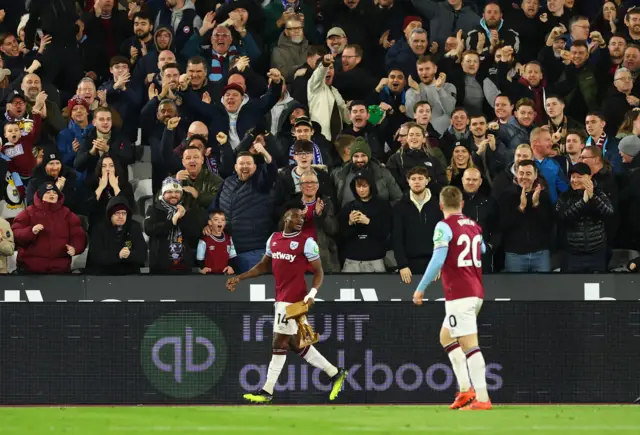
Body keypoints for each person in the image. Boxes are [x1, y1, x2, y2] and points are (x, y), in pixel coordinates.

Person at [226, 202, 347, 403]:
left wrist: (312, 293)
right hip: (280, 297)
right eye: (296, 217)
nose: (300, 220)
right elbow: (263, 266)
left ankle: (267, 391)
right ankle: (335, 373)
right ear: (286, 218)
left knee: (278, 341)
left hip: (294, 299)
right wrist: (239, 278)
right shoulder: (274, 239)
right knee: (295, 343)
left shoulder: (307, 242)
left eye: (303, 218)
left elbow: (319, 271)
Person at [412, 186, 492, 411]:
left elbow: (438, 259)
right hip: (475, 290)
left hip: (460, 293)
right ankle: (466, 390)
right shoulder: (474, 226)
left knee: (470, 346)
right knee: (446, 337)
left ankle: (483, 399)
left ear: (440, 206)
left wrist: (421, 288)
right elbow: (483, 250)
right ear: (462, 204)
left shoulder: (443, 226)